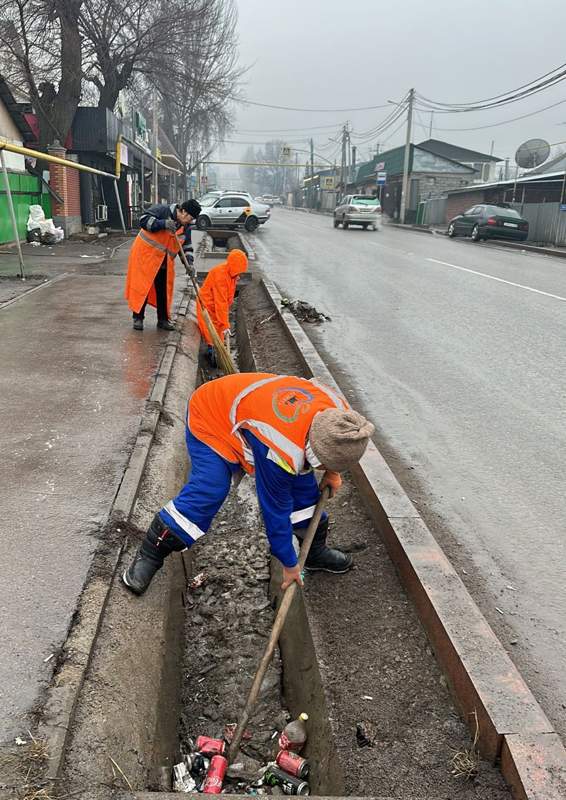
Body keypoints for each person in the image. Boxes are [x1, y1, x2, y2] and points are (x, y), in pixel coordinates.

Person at [122, 372, 375, 596]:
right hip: (212, 415)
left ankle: (314, 552)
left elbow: (335, 448)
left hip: (252, 413)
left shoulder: (341, 418)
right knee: (210, 490)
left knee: (305, 492)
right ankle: (150, 555)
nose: (321, 467)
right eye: (322, 463)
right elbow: (275, 510)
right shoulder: (280, 447)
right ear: (313, 448)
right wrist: (288, 564)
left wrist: (333, 472)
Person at [125, 199, 201, 331]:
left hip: (163, 261)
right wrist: (163, 223)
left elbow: (186, 247)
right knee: (142, 287)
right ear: (183, 211)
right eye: (189, 217)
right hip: (145, 256)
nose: (190, 221)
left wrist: (189, 264)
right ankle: (138, 318)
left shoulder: (185, 227)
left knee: (163, 290)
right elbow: (143, 220)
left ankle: (163, 320)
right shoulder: (162, 210)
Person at [197, 249, 248, 362]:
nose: (240, 275)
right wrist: (225, 325)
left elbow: (224, 301)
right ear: (234, 267)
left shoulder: (231, 274)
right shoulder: (221, 275)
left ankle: (216, 353)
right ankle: (212, 354)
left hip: (216, 307)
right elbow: (220, 302)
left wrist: (224, 324)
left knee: (218, 332)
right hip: (207, 305)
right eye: (239, 271)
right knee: (212, 332)